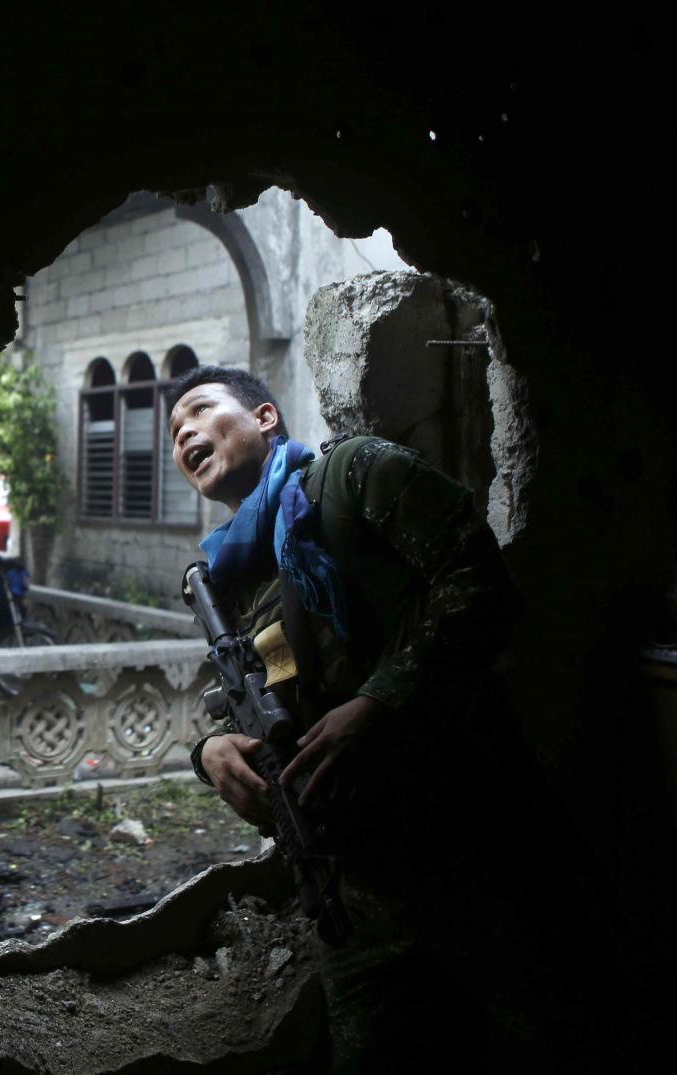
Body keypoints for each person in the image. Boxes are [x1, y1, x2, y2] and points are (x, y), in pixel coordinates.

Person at [166, 365, 620, 1073]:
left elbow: (480, 581)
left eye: (197, 409)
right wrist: (211, 753)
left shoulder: (354, 474)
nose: (184, 431)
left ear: (263, 416)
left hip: (480, 844)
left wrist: (382, 702)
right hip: (357, 897)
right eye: (173, 432)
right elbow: (246, 705)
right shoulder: (235, 583)